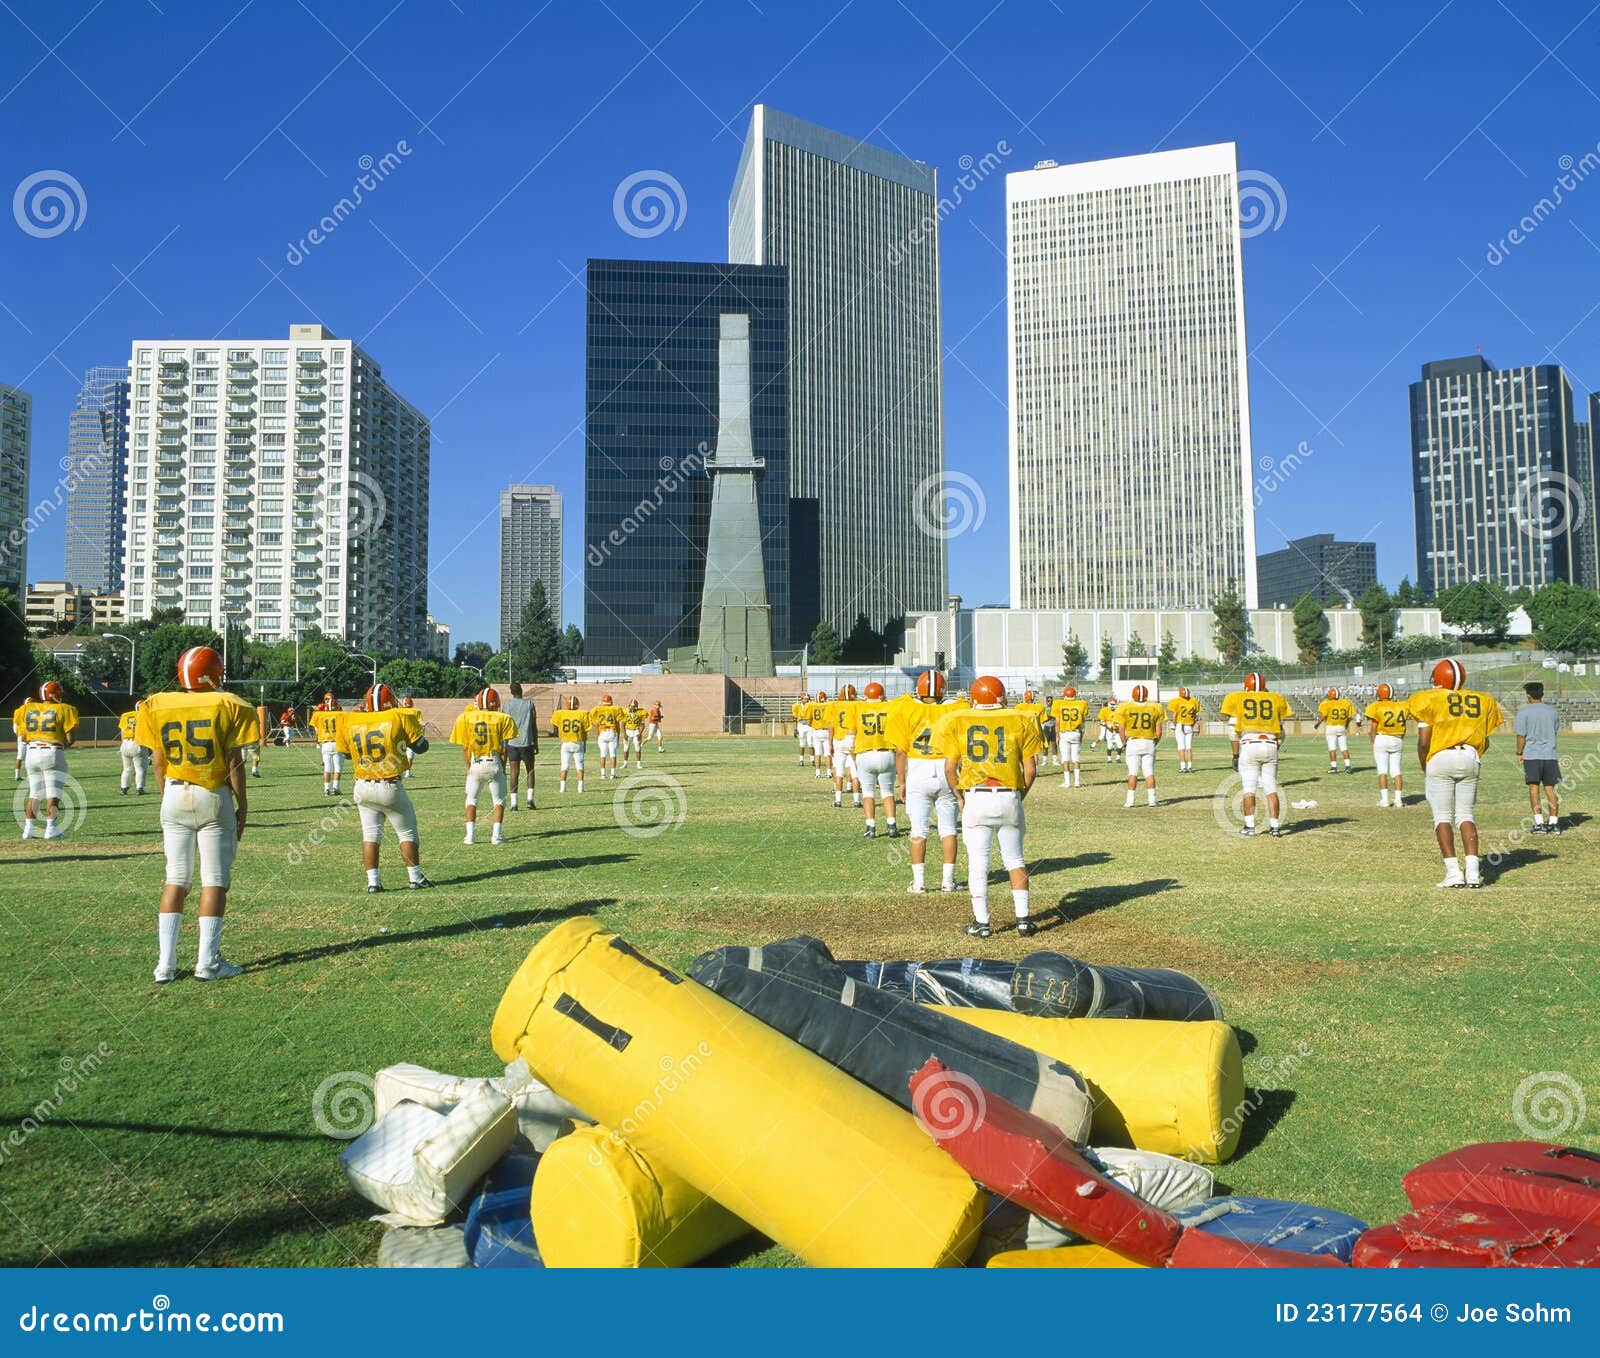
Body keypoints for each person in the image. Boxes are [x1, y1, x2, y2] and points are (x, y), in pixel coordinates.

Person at [137, 646, 260, 981]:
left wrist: (168, 795)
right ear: (216, 673)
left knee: (176, 879)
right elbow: (234, 763)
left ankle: (165, 964)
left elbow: (158, 761)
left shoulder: (157, 704)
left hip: (174, 793)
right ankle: (208, 962)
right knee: (215, 882)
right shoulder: (230, 704)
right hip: (212, 794)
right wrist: (243, 804)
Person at [940, 675, 1043, 940]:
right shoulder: (1021, 718)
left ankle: (982, 922)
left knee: (978, 863)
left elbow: (950, 768)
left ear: (973, 699)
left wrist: (960, 798)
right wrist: (1018, 796)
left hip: (976, 796)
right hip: (1009, 795)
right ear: (1002, 697)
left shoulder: (959, 719)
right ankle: (1023, 920)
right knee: (1015, 860)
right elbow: (1030, 770)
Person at [1408, 659, 1506, 888]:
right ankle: (1473, 873)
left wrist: (1425, 765)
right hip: (1471, 756)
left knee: (1442, 816)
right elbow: (1486, 740)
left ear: (1437, 678)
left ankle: (1454, 872)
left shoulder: (1428, 699)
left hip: (1441, 757)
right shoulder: (1482, 700)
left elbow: (1424, 742)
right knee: (1466, 815)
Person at [337, 683, 434, 893]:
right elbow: (422, 747)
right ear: (390, 701)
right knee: (407, 832)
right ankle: (415, 878)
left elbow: (346, 754)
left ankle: (373, 882)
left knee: (370, 835)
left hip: (362, 786)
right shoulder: (398, 716)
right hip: (389, 784)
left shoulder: (350, 719)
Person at [889, 669, 962, 893]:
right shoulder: (957, 707)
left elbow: (900, 752)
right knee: (948, 828)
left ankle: (919, 882)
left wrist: (901, 781)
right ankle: (948, 881)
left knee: (918, 830)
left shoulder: (906, 707)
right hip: (947, 770)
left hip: (918, 770)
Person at [1219, 672, 1292, 838]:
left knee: (1249, 789)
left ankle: (1250, 826)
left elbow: (1232, 728)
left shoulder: (1237, 698)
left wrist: (1237, 750)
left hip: (1249, 743)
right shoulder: (1276, 698)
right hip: (1271, 744)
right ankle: (1275, 827)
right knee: (1270, 788)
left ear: (1246, 686)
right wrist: (1276, 745)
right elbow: (1281, 731)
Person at [451, 687, 519, 845]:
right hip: (493, 761)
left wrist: (469, 768)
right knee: (499, 801)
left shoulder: (466, 717)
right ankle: (496, 836)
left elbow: (465, 748)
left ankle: (470, 836)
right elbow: (504, 748)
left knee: (471, 799)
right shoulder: (503, 718)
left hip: (475, 762)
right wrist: (501, 766)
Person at [15, 680, 78, 840]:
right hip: (52, 751)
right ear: (55, 694)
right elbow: (70, 739)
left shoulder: (27, 709)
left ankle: (28, 829)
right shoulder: (65, 709)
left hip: (32, 753)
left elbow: (22, 736)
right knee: (53, 793)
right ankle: (51, 829)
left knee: (34, 792)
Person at [849, 681, 899, 838]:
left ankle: (871, 827)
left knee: (868, 793)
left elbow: (851, 736)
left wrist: (853, 756)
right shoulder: (890, 707)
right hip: (886, 753)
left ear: (865, 696)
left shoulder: (857, 707)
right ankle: (892, 825)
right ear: (882, 695)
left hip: (865, 754)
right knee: (888, 791)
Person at [1514, 682, 1563, 836]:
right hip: (1550, 755)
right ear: (1542, 693)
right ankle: (1554, 824)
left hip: (1532, 755)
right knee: (1550, 789)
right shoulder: (1552, 712)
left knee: (1534, 789)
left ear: (1528, 694)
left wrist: (1519, 752)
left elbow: (1521, 735)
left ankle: (1539, 823)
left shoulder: (1524, 712)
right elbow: (1555, 732)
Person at [1116, 683, 1164, 809]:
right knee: (1149, 772)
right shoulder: (1155, 707)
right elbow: (1159, 731)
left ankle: (1130, 801)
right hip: (1149, 741)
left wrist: (1124, 742)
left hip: (1133, 741)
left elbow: (1120, 728)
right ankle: (1152, 800)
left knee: (1133, 772)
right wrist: (1154, 743)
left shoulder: (1124, 707)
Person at [1363, 682, 1410, 809]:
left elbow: (1373, 728)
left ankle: (1384, 800)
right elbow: (1404, 727)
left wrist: (1373, 742)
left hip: (1382, 738)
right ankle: (1398, 800)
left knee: (1382, 770)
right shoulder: (1401, 706)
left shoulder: (1376, 706)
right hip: (1397, 739)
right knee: (1396, 771)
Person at [502, 682, 538, 810]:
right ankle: (530, 799)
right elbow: (534, 725)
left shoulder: (506, 705)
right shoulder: (529, 704)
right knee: (530, 770)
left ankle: (514, 803)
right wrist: (536, 743)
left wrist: (504, 743)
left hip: (512, 743)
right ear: (521, 690)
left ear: (511, 692)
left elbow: (503, 724)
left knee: (514, 773)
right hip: (527, 742)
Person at [828, 684, 861, 810]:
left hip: (838, 739)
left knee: (839, 770)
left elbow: (831, 726)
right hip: (851, 738)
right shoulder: (857, 704)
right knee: (855, 771)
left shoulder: (834, 705)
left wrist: (830, 743)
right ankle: (857, 800)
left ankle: (837, 800)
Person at [1049, 686, 1088, 788]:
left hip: (1064, 733)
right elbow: (1083, 722)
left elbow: (1057, 722)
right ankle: (1077, 782)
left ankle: (1067, 782)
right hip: (1076, 733)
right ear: (1075, 695)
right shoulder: (1082, 704)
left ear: (1064, 695)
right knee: (1076, 758)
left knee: (1065, 758)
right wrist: (1081, 734)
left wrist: (1057, 735)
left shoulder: (1058, 704)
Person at [551, 694, 590, 793]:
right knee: (580, 766)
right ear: (577, 704)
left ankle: (562, 788)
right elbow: (585, 731)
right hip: (578, 743)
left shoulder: (560, 713)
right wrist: (584, 744)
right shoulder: (582, 714)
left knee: (564, 766)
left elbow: (556, 725)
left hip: (566, 743)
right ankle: (580, 788)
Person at [309, 692, 345, 796]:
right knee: (338, 768)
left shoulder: (319, 714)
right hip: (337, 743)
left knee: (327, 768)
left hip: (325, 744)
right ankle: (335, 788)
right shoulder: (340, 714)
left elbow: (315, 729)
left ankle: (326, 789)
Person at [1315, 687, 1357, 774]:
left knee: (1332, 748)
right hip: (1341, 727)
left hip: (1331, 727)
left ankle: (1334, 767)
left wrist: (1318, 723)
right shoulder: (1346, 702)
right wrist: (1345, 725)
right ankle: (1348, 767)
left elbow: (1323, 716)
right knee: (1344, 748)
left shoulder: (1326, 703)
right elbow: (1349, 717)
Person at [117, 699, 150, 796]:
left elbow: (122, 732)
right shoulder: (144, 716)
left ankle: (123, 787)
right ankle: (139, 788)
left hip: (125, 743)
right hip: (137, 743)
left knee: (126, 768)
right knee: (140, 768)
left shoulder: (125, 715)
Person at [590, 692, 624, 780]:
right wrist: (618, 734)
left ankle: (603, 774)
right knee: (613, 754)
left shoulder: (597, 709)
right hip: (612, 732)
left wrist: (599, 732)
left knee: (602, 754)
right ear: (611, 701)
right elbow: (617, 723)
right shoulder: (616, 709)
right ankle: (612, 774)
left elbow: (593, 720)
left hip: (602, 732)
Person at [1165, 687, 1201, 774]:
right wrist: (1194, 723)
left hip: (1180, 725)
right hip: (1189, 725)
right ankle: (1190, 766)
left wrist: (1174, 724)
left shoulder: (1176, 701)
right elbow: (1195, 715)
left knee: (1181, 747)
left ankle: (1182, 767)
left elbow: (1174, 715)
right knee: (1189, 747)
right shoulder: (1194, 701)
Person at [806, 690, 831, 777]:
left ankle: (818, 773)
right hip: (826, 731)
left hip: (816, 731)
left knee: (817, 753)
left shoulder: (811, 706)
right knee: (827, 753)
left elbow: (808, 722)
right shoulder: (828, 705)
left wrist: (815, 724)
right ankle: (828, 772)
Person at [621, 698, 647, 769]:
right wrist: (624, 734)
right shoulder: (625, 711)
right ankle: (625, 763)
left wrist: (640, 733)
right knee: (626, 749)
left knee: (637, 748)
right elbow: (622, 724)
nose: (632, 708)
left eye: (634, 706)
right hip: (628, 731)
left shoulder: (641, 712)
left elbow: (642, 724)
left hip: (636, 731)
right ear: (629, 706)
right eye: (631, 706)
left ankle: (638, 764)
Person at [251, 698, 270, 777]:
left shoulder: (242, 716)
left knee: (242, 757)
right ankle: (254, 769)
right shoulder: (255, 716)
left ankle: (236, 771)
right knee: (256, 755)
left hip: (244, 739)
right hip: (253, 738)